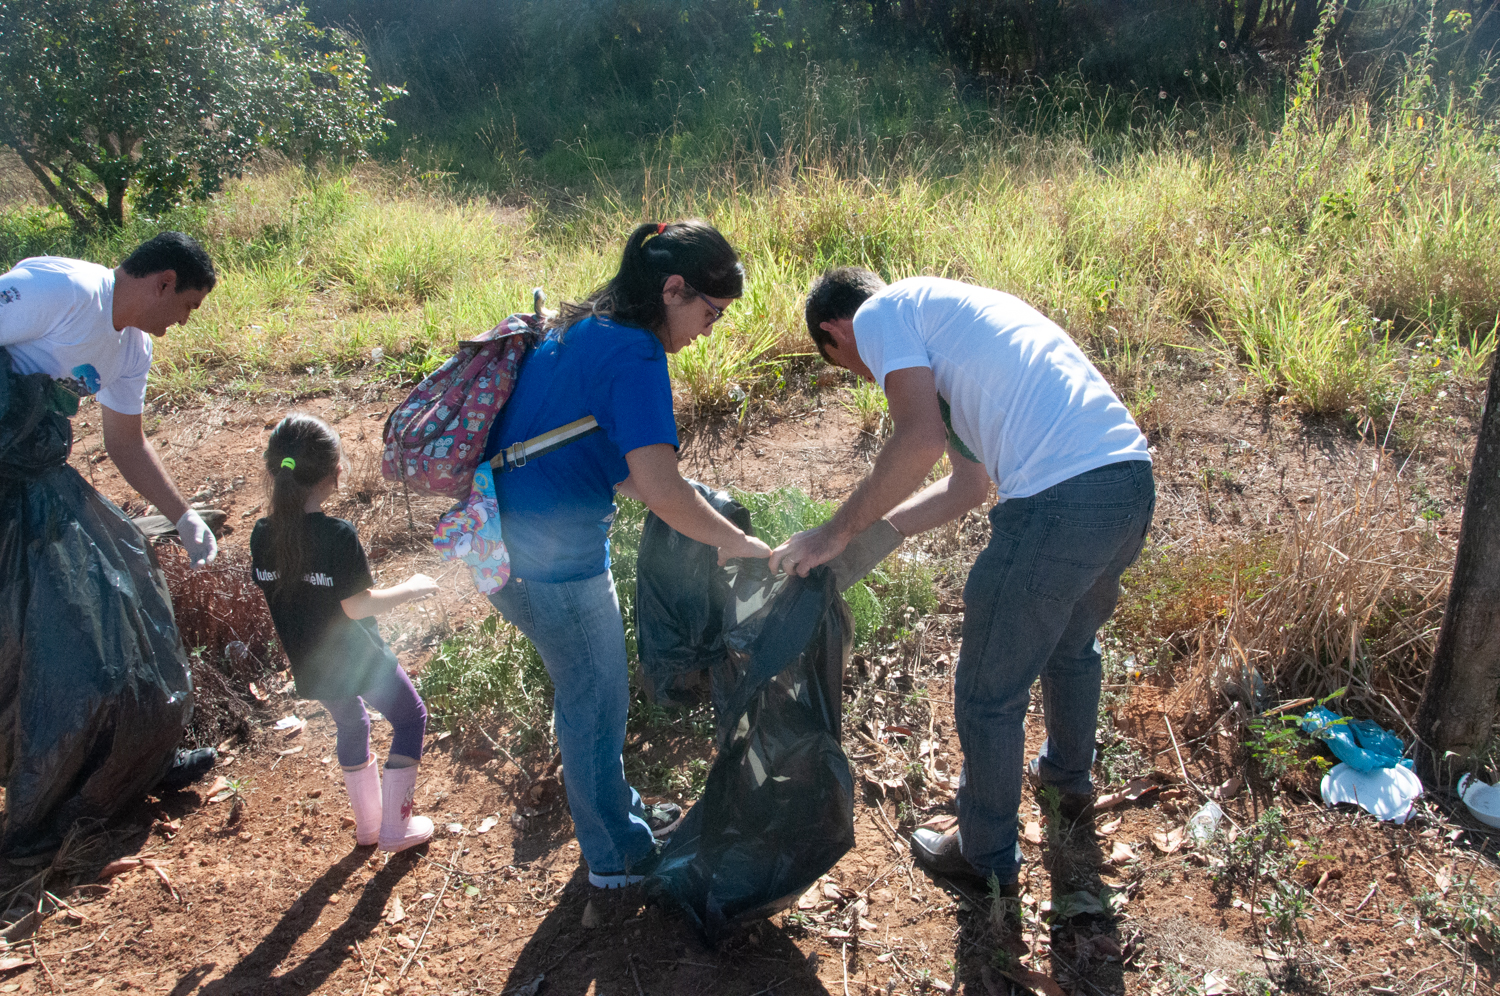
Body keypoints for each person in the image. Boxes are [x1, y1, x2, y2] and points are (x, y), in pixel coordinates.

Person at [770, 269, 1154, 896]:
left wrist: (831, 533)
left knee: (988, 694)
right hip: (1127, 483)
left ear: (835, 332)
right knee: (1069, 645)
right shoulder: (951, 330)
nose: (868, 378)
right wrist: (873, 538)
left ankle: (983, 855)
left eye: (848, 367)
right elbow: (967, 487)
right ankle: (1067, 781)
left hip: (1059, 502)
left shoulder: (879, 316)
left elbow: (915, 440)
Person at [483, 219, 771, 889]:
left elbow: (618, 467)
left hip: (503, 545)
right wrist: (737, 544)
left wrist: (701, 514)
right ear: (673, 290)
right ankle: (616, 856)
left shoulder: (589, 326)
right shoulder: (637, 354)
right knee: (594, 700)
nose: (710, 329)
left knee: (587, 694)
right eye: (711, 311)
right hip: (554, 565)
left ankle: (617, 812)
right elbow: (662, 489)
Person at [0, 232, 222, 861]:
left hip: (36, 483)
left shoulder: (131, 350)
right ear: (164, 283)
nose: (182, 322)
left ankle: (136, 760)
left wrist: (181, 517)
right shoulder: (63, 291)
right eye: (186, 306)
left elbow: (126, 443)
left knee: (126, 578)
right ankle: (38, 795)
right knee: (28, 641)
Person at [251, 414, 439, 853]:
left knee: (351, 722)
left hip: (311, 665)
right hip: (361, 660)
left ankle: (370, 827)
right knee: (411, 718)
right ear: (336, 472)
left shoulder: (262, 534)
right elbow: (358, 607)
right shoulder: (337, 536)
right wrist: (412, 587)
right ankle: (397, 827)